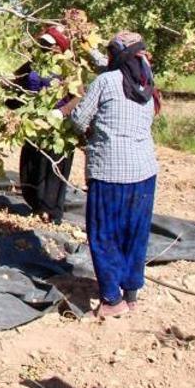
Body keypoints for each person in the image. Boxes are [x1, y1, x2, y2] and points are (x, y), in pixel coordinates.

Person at [61, 30, 162, 318]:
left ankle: (111, 300)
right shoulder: (146, 81)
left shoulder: (105, 82)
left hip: (110, 170)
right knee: (135, 232)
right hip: (144, 170)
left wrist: (64, 113)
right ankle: (131, 294)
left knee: (104, 234)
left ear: (117, 56)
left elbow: (79, 120)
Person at [8, 26, 76, 224]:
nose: (44, 48)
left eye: (49, 45)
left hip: (58, 128)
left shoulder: (68, 68)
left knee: (52, 169)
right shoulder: (33, 63)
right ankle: (35, 205)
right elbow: (16, 81)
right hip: (34, 124)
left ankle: (49, 212)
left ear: (60, 48)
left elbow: (78, 96)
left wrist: (61, 112)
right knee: (32, 165)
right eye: (42, 44)